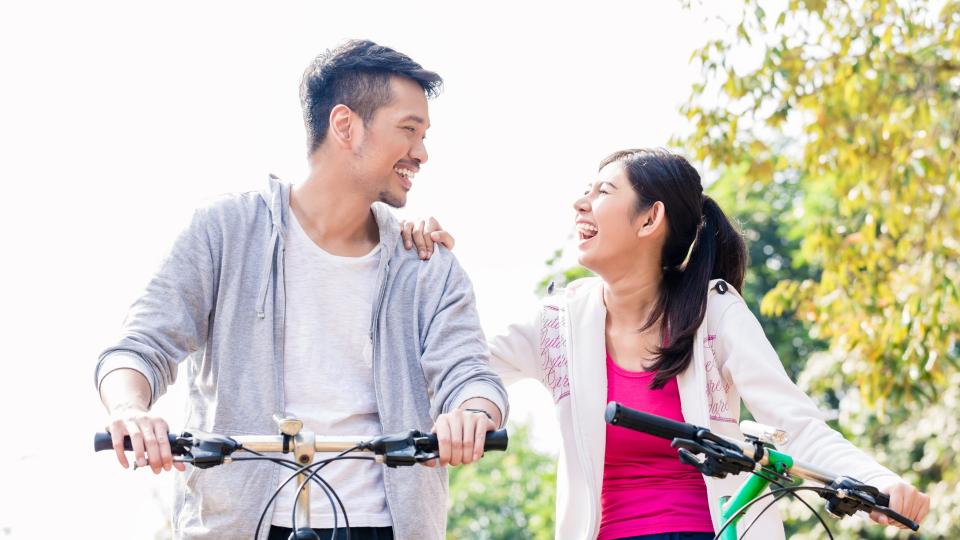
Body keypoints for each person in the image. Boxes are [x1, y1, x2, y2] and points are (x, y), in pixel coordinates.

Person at [95, 40, 508, 540]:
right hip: (241, 522)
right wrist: (130, 411)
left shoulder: (425, 262)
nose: (421, 153)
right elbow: (140, 345)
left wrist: (471, 414)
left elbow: (469, 371)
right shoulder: (225, 230)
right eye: (408, 130)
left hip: (384, 526)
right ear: (345, 125)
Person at [403, 148, 929, 539]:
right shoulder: (558, 322)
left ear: (650, 219)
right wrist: (421, 261)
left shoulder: (714, 310)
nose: (580, 203)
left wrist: (875, 479)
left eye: (602, 192)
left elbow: (795, 428)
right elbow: (460, 367)